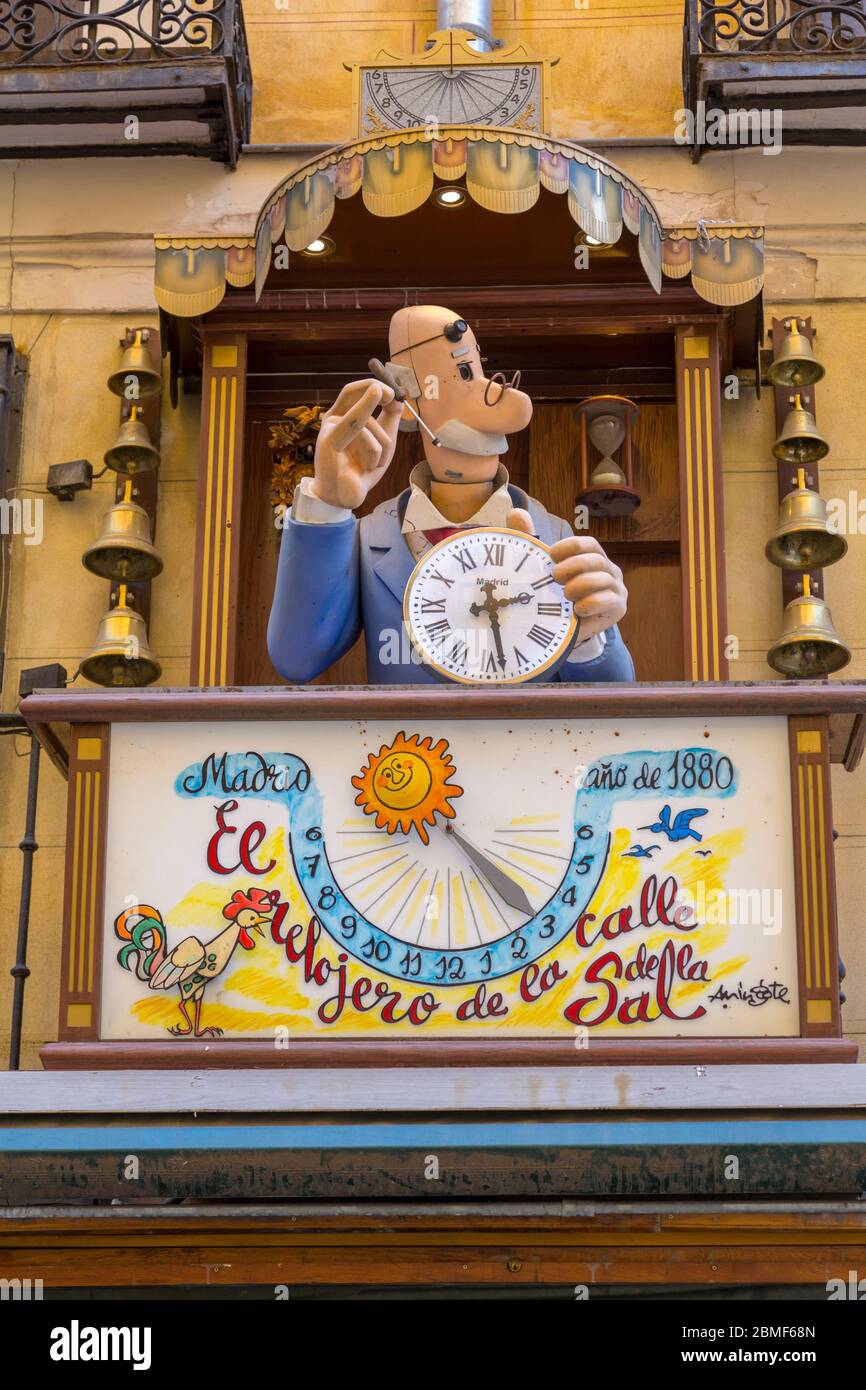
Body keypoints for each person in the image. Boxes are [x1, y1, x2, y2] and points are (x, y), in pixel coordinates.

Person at [268, 304, 634, 685]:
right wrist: (328, 502)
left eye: (479, 369)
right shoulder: (368, 539)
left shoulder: (557, 536)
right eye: (463, 372)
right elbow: (297, 659)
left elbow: (614, 701)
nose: (501, 397)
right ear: (407, 399)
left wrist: (587, 638)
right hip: (406, 746)